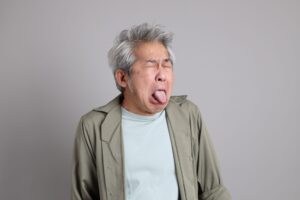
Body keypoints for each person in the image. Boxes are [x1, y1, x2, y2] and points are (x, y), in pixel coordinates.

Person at [71, 23, 231, 200]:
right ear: (123, 78)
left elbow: (213, 191)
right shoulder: (93, 126)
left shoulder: (188, 115)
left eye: (167, 65)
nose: (162, 74)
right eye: (151, 65)